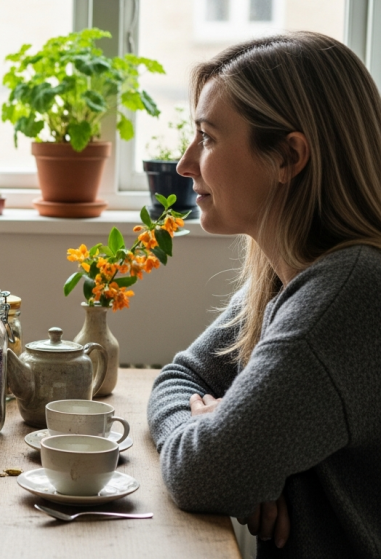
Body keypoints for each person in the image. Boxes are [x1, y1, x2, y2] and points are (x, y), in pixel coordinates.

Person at [147, 32, 381, 558]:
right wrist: (213, 429)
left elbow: (202, 475)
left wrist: (223, 443)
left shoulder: (347, 294)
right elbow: (180, 378)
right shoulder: (287, 273)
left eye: (207, 138)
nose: (185, 165)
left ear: (288, 157)